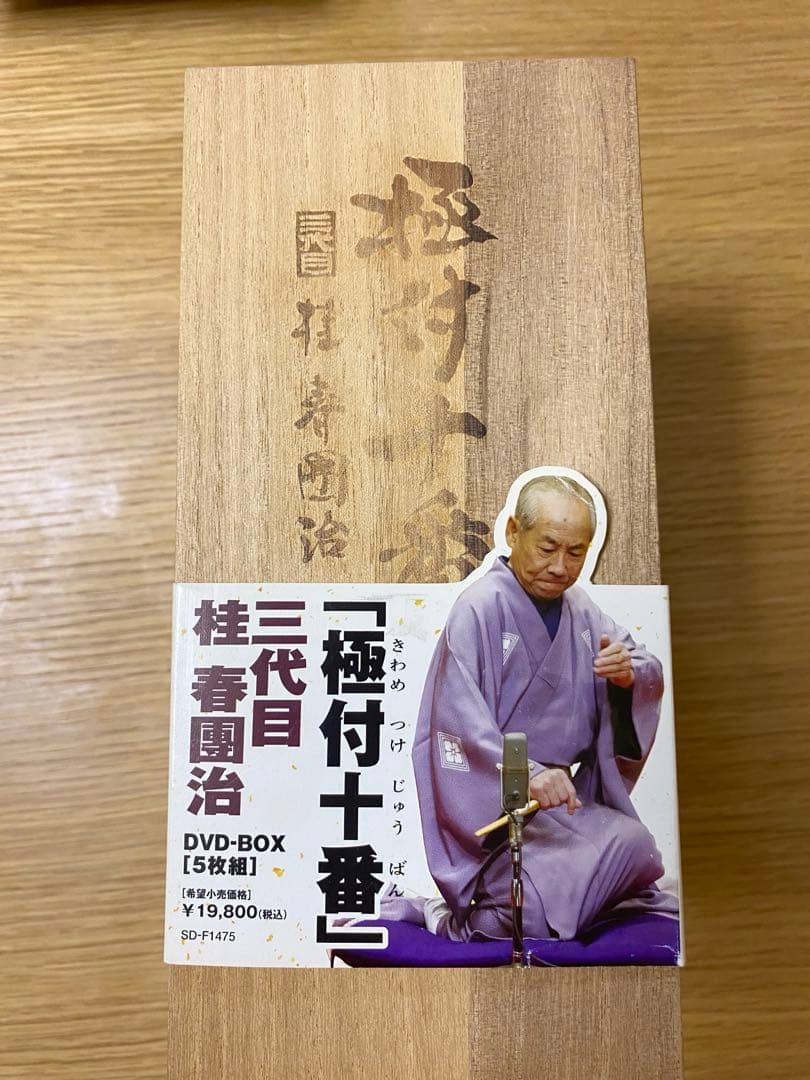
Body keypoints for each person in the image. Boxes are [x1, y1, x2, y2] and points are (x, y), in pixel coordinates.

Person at [409, 473, 675, 942]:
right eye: (548, 547)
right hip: (503, 812)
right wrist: (527, 773)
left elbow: (640, 664)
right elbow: (457, 725)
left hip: (561, 807)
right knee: (524, 914)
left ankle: (563, 899)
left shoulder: (582, 610)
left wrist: (627, 678)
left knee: (638, 847)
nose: (559, 567)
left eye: (576, 553)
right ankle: (465, 912)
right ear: (514, 532)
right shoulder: (479, 607)